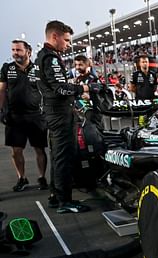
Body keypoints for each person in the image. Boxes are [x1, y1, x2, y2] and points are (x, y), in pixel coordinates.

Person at [36, 20, 92, 214]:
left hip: (54, 114)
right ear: (55, 37)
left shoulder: (42, 56)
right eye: (66, 40)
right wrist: (84, 88)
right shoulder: (50, 58)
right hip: (59, 115)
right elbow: (60, 88)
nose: (68, 45)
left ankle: (55, 196)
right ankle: (65, 201)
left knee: (57, 157)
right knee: (64, 158)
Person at [0, 39, 48, 192]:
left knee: (39, 149)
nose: (15, 53)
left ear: (28, 51)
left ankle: (42, 177)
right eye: (13, 50)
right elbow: (1, 90)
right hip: (15, 117)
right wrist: (1, 110)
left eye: (18, 50)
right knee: (16, 151)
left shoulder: (38, 69)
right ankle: (22, 178)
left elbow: (47, 90)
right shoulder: (7, 68)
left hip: (36, 116)